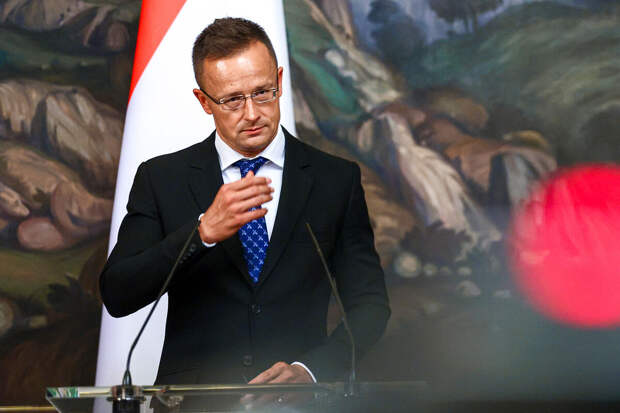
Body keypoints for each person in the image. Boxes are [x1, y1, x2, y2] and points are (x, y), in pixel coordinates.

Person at [99, 17, 390, 385]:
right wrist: (201, 233)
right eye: (233, 99)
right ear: (204, 101)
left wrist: (313, 370)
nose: (252, 113)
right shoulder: (162, 179)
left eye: (263, 92)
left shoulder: (335, 179)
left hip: (298, 404)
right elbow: (118, 294)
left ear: (279, 81)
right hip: (196, 403)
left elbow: (369, 305)